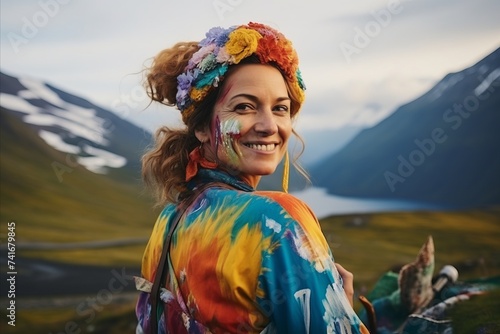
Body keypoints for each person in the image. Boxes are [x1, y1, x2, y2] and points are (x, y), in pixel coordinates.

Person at [135, 22, 369, 334]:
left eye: (280, 108)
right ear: (202, 127)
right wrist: (340, 306)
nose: (269, 125)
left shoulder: (167, 221)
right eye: (244, 106)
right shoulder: (277, 221)